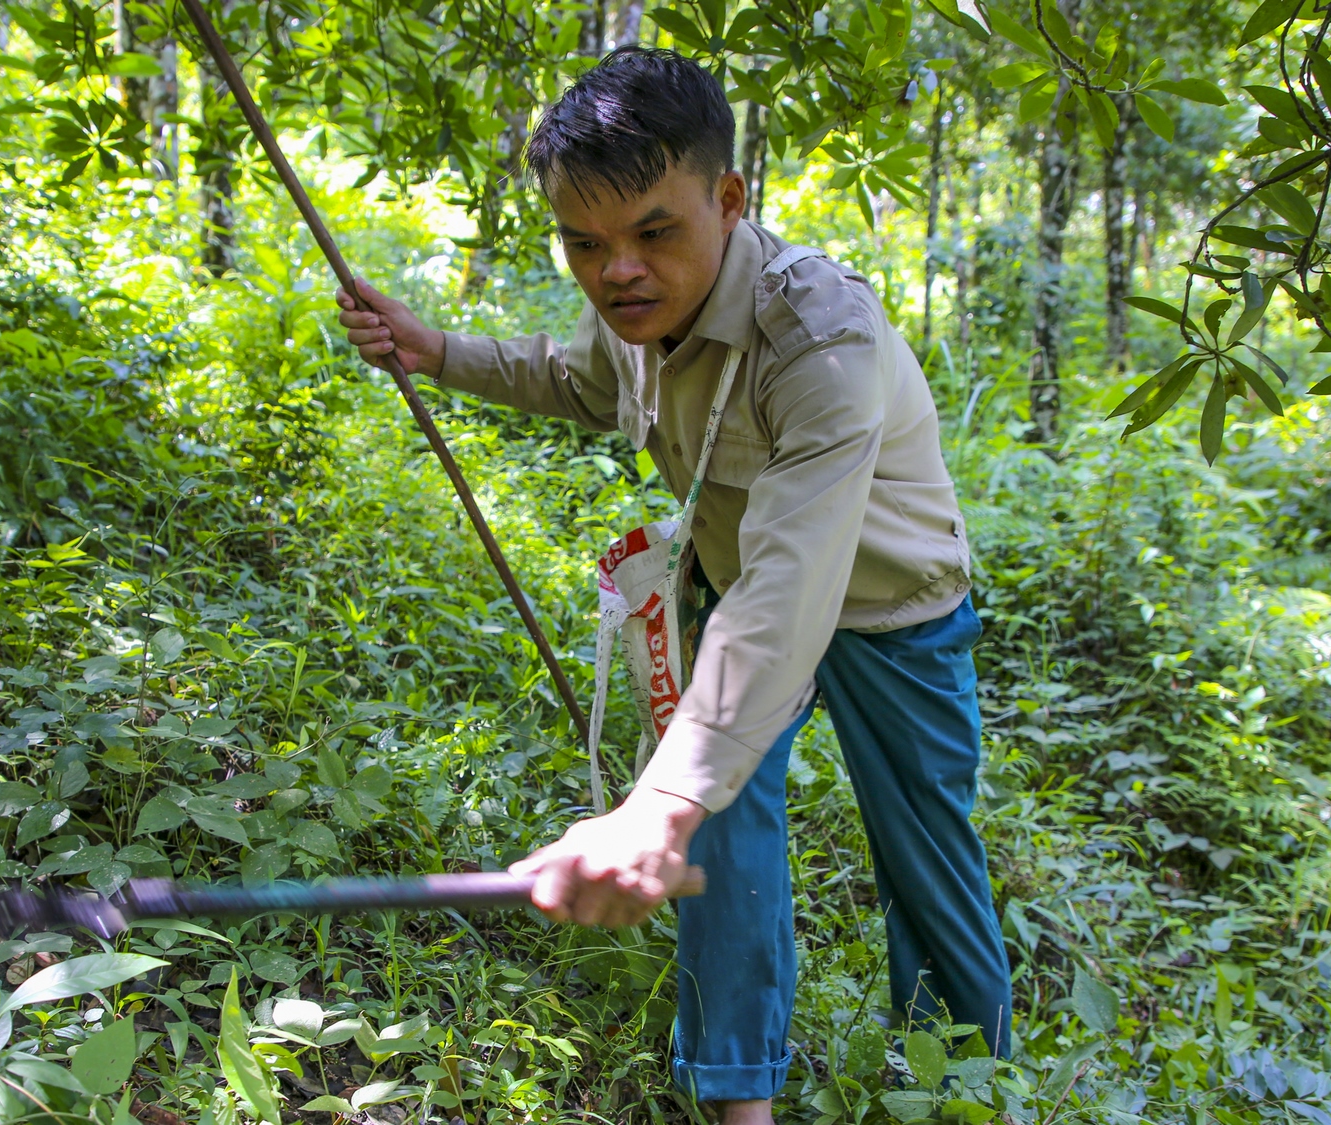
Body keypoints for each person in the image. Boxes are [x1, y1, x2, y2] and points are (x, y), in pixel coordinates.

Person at [335, 46, 1009, 1124]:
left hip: (890, 611)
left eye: (653, 232)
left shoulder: (818, 340)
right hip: (734, 586)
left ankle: (968, 1083)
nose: (617, 273)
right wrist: (434, 348)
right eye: (583, 243)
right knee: (719, 841)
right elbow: (573, 375)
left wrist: (658, 798)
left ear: (728, 199)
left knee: (925, 859)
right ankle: (739, 1100)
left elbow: (795, 583)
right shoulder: (634, 314)